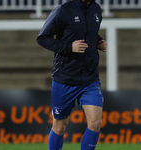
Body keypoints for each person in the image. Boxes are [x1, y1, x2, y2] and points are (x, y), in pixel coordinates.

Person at [37, 0, 107, 149]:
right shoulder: (63, 10)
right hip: (65, 78)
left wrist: (98, 42)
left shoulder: (96, 9)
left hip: (90, 78)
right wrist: (69, 46)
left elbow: (87, 33)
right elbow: (43, 38)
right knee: (60, 126)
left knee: (95, 123)